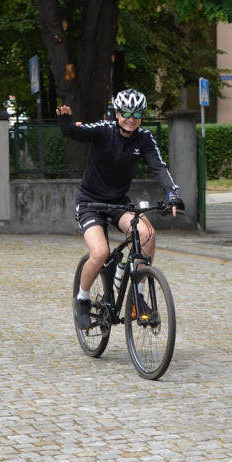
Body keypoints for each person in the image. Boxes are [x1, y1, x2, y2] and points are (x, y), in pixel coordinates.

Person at [58, 89, 184, 329]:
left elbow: (159, 167)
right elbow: (77, 132)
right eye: (126, 112)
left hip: (118, 203)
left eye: (137, 113)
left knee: (147, 234)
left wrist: (173, 194)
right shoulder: (104, 131)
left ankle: (138, 298)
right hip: (90, 203)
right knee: (100, 252)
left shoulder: (144, 138)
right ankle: (82, 300)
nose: (131, 117)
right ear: (117, 112)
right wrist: (66, 124)